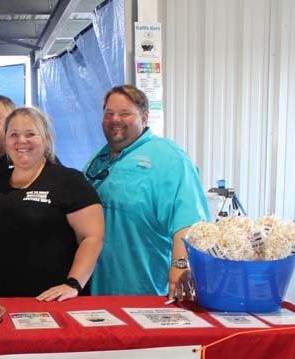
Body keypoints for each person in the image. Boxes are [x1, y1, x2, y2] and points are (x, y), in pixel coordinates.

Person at [83, 85, 210, 299]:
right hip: (97, 288)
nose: (115, 119)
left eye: (125, 113)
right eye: (109, 114)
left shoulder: (169, 158)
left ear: (144, 117)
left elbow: (190, 221)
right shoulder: (97, 159)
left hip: (146, 289)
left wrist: (181, 264)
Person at [0, 107, 104, 301]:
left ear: (46, 139)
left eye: (30, 134)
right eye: (14, 134)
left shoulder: (69, 181)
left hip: (47, 301)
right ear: (6, 141)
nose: (21, 141)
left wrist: (73, 284)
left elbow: (92, 237)